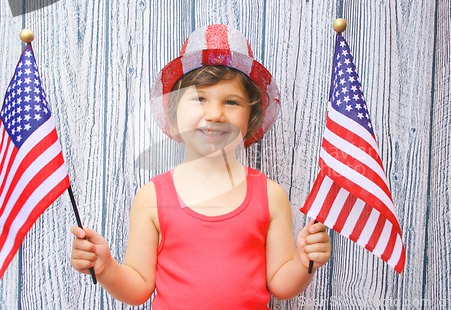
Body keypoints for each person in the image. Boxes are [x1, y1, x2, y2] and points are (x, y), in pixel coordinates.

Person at [71, 24, 331, 309]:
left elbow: (281, 284)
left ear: (251, 116)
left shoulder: (270, 196)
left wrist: (304, 261)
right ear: (174, 113)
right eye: (199, 99)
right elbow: (138, 288)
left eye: (231, 102)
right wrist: (106, 268)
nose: (215, 113)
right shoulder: (152, 198)